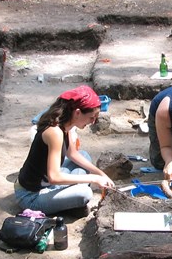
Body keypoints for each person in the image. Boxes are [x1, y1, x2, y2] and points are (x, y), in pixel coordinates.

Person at [14, 85, 115, 215]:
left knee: (83, 155)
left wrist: (101, 174)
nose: (93, 121)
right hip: (31, 196)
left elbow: (72, 154)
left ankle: (69, 200)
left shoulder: (64, 125)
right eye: (92, 117)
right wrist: (93, 179)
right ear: (77, 112)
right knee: (84, 193)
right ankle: (72, 200)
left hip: (47, 183)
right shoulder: (54, 132)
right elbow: (54, 177)